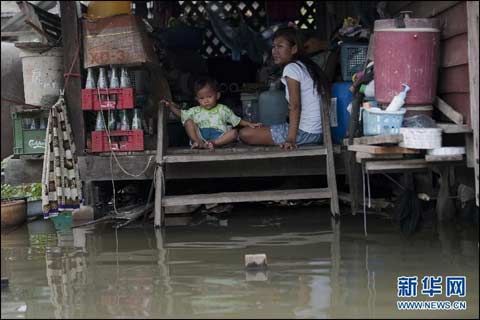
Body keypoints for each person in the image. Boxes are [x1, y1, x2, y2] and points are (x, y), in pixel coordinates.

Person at [239, 27, 331, 150]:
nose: (275, 51)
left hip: (305, 134)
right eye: (274, 46)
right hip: (318, 133)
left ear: (294, 49)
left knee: (245, 133)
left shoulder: (291, 68)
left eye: (280, 46)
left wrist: (290, 139)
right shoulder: (306, 66)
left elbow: (295, 106)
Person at [162, 76, 262, 149]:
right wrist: (170, 106)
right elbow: (181, 114)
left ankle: (214, 143)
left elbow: (236, 120)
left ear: (217, 95)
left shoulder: (223, 109)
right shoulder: (195, 110)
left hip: (219, 136)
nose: (206, 100)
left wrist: (249, 124)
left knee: (234, 133)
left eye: (209, 97)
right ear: (197, 99)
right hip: (200, 136)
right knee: (188, 121)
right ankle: (198, 143)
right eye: (202, 98)